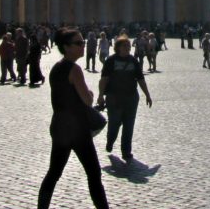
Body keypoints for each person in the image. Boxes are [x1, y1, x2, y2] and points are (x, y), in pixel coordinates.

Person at [37, 29, 109, 209]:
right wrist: (91, 94)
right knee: (94, 173)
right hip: (77, 129)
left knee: (54, 173)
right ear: (66, 47)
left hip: (60, 126)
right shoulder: (74, 69)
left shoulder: (56, 68)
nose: (82, 46)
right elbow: (87, 99)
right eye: (78, 43)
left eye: (82, 42)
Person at [97, 35, 153, 163]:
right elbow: (104, 79)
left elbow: (140, 79)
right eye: (124, 46)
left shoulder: (133, 61)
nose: (127, 48)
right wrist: (101, 95)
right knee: (114, 123)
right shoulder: (110, 61)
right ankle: (110, 140)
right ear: (118, 48)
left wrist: (147, 95)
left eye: (128, 46)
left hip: (131, 97)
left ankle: (126, 151)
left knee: (129, 124)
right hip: (114, 97)